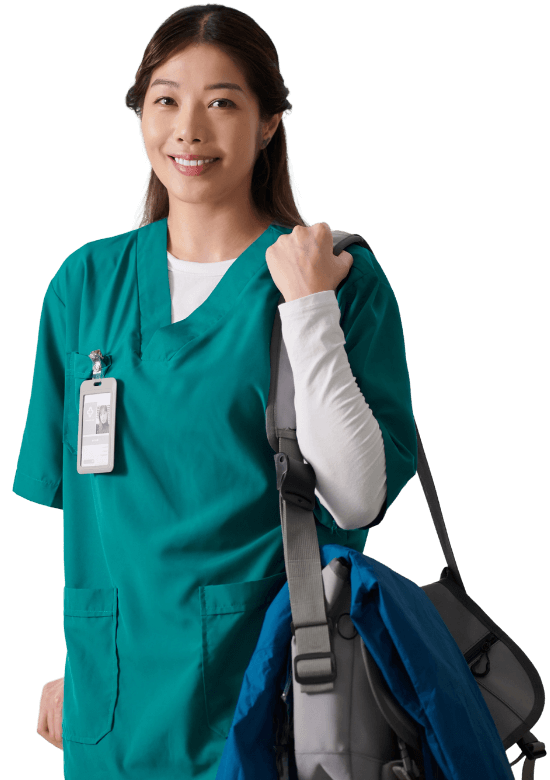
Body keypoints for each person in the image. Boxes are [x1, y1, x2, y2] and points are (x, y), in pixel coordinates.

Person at [18, 5, 417, 779]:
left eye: (223, 102)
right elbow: (84, 518)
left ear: (270, 122)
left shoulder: (336, 277)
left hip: (275, 686)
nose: (189, 129)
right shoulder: (84, 284)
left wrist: (308, 310)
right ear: (140, 112)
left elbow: (359, 500)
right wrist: (73, 662)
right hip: (116, 693)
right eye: (166, 100)